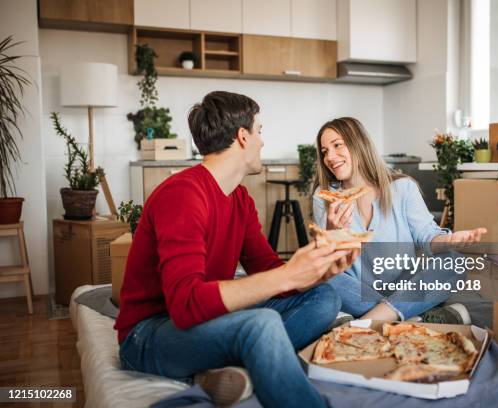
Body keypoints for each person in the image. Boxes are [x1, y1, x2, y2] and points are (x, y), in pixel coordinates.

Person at [115, 92, 359, 408]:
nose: (262, 142)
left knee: (326, 297)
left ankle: (229, 370)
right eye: (260, 131)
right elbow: (185, 304)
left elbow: (268, 269)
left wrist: (322, 261)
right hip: (148, 335)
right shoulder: (182, 194)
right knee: (260, 324)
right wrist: (287, 276)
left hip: (209, 318)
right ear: (243, 137)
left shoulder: (240, 199)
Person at [312, 117, 487, 323]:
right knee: (320, 276)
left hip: (405, 285)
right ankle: (409, 314)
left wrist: (451, 240)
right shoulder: (324, 197)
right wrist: (333, 235)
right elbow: (330, 262)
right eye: (325, 151)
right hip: (358, 292)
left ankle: (366, 322)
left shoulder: (403, 188)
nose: (330, 157)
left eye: (337, 145)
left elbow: (427, 236)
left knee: (453, 262)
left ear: (358, 144)